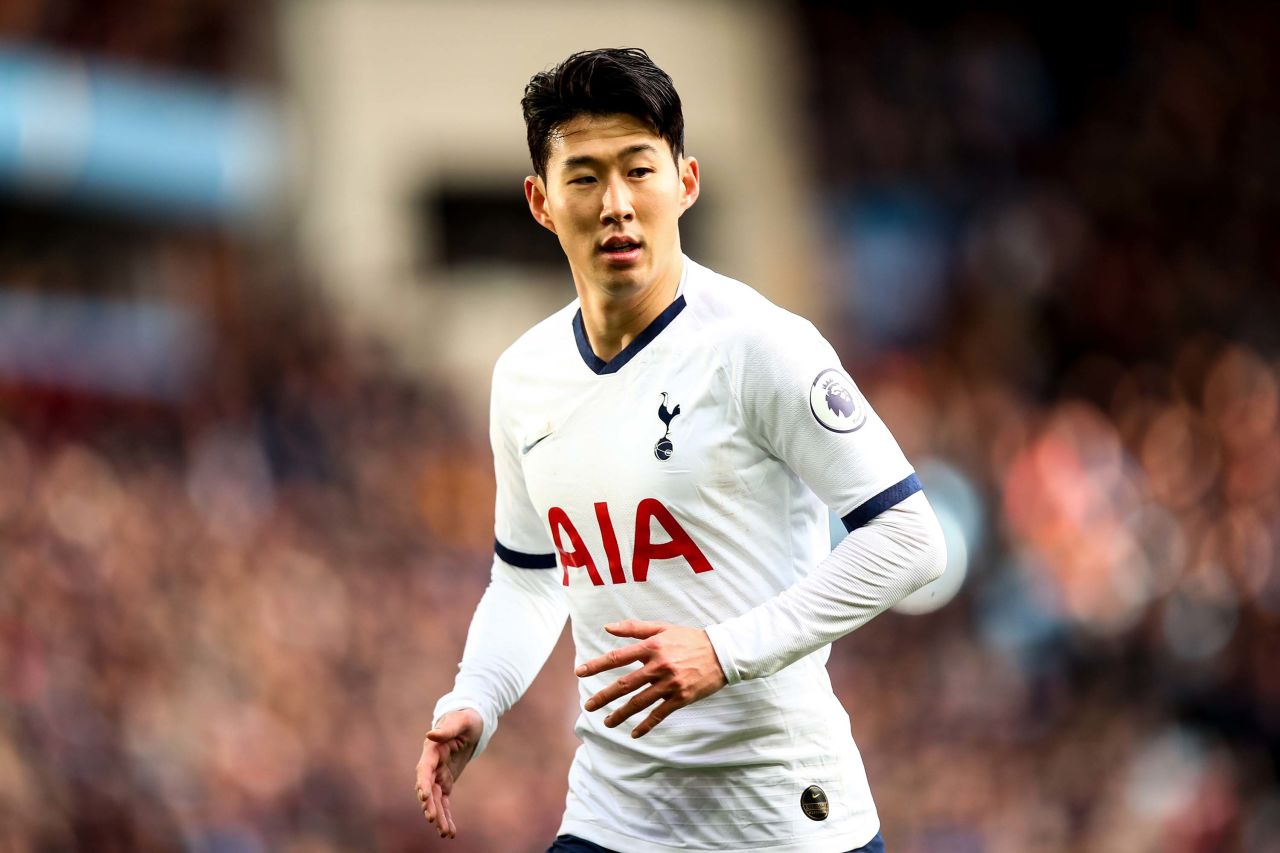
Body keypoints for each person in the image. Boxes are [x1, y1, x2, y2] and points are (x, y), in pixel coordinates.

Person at [415, 47, 946, 853]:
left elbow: (912, 540)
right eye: (585, 177)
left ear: (685, 182)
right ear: (540, 201)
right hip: (615, 817)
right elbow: (529, 577)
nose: (617, 203)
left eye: (639, 170)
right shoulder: (524, 376)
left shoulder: (759, 346)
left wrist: (724, 651)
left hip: (781, 818)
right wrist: (477, 694)